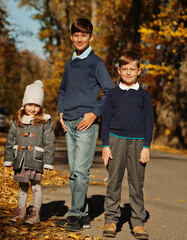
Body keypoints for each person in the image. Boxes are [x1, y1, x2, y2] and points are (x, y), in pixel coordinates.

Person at [56, 18, 114, 232]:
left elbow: (109, 92)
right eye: (76, 35)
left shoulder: (96, 63)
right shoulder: (69, 63)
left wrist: (94, 114)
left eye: (84, 35)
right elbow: (62, 90)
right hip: (68, 123)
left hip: (85, 124)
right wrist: (61, 111)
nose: (79, 39)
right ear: (71, 37)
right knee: (74, 172)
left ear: (91, 37)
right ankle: (83, 214)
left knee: (81, 171)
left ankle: (74, 215)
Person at [101, 51, 153, 240]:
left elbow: (149, 122)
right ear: (118, 70)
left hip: (138, 143)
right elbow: (105, 121)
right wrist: (105, 145)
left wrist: (146, 146)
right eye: (125, 69)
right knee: (114, 182)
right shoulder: (112, 94)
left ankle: (138, 222)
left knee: (136, 184)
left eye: (132, 69)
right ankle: (111, 219)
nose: (129, 72)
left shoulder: (144, 95)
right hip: (115, 140)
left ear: (139, 71)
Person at [4, 80, 55, 225]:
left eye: (36, 105)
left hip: (36, 160)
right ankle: (20, 213)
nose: (32, 108)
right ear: (24, 104)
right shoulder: (17, 120)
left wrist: (48, 162)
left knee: (36, 186)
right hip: (21, 159)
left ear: (41, 106)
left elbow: (50, 143)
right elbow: (10, 140)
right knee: (22, 186)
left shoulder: (45, 122)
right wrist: (8, 159)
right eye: (30, 104)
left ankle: (35, 215)